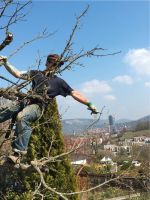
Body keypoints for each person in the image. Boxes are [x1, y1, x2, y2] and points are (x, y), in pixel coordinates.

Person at [0, 54, 99, 163]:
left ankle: (18, 153)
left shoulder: (59, 82)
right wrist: (6, 63)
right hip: (26, 101)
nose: (54, 65)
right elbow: (17, 74)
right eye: (51, 62)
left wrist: (89, 104)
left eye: (57, 64)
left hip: (37, 107)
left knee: (22, 117)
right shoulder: (36, 74)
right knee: (6, 110)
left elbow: (74, 93)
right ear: (47, 63)